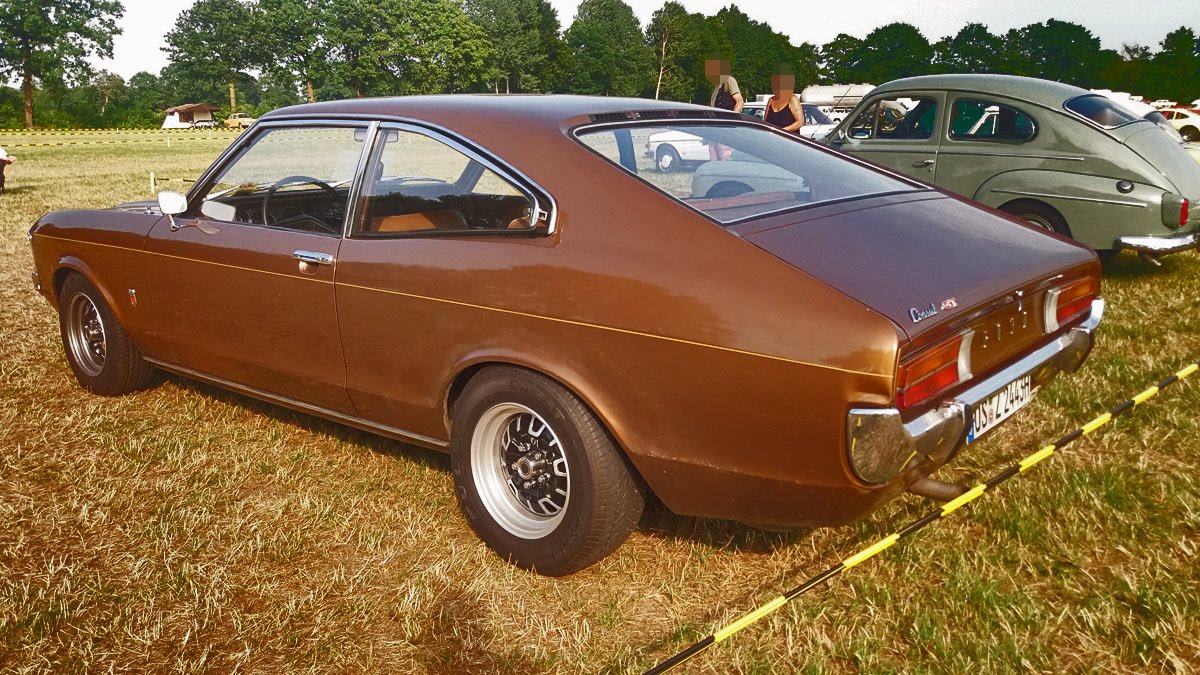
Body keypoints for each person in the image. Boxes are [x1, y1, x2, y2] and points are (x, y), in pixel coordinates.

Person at [763, 69, 805, 134]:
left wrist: (781, 131)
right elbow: (765, 122)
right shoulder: (771, 100)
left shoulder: (792, 99)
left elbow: (800, 122)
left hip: (789, 140)